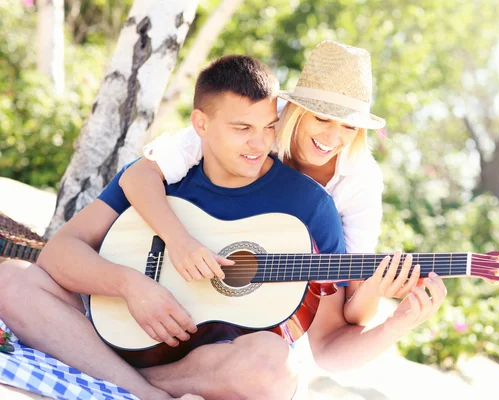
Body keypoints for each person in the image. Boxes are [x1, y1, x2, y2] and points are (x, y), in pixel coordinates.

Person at [0, 53, 446, 400]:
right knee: (10, 280)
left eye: (267, 128)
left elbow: (329, 335)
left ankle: (127, 377)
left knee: (273, 372)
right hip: (114, 319)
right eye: (241, 129)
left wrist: (394, 320)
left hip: (205, 357)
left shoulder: (316, 207)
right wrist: (133, 285)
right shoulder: (172, 167)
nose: (258, 144)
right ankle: (145, 391)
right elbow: (60, 253)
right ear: (201, 126)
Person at [120, 40, 423, 327]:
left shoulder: (360, 180)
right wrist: (178, 240)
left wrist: (377, 291)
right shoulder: (255, 123)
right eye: (321, 119)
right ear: (296, 111)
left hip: (271, 309)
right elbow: (138, 176)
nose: (333, 139)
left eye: (349, 126)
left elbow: (349, 307)